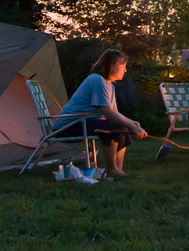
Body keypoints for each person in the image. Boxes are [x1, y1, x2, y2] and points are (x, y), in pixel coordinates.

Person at [55, 49, 147, 177]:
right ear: (111, 66)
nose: (125, 70)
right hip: (67, 126)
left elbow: (115, 112)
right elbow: (107, 113)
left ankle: (117, 170)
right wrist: (131, 125)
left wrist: (131, 123)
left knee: (122, 126)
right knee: (111, 128)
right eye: (122, 66)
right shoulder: (97, 80)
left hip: (81, 123)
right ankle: (112, 169)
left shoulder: (110, 86)